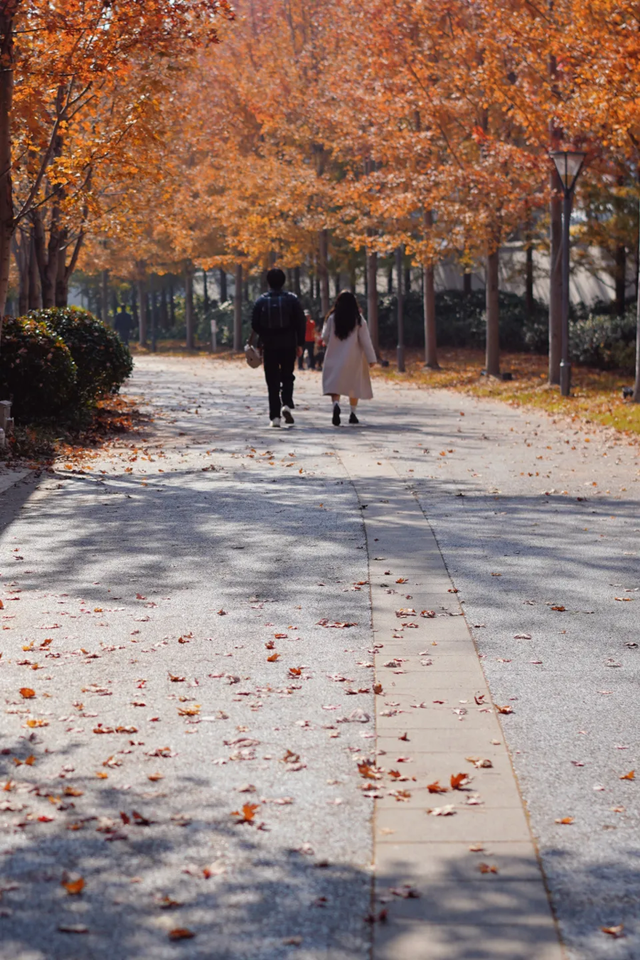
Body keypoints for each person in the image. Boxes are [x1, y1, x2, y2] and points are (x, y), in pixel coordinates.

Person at [251, 268, 306, 427]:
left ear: (268, 282)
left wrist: (262, 340)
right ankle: (287, 404)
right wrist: (300, 343)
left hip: (269, 345)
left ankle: (275, 417)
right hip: (288, 343)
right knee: (288, 375)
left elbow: (255, 324)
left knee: (272, 380)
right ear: (284, 281)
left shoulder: (261, 300)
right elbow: (300, 323)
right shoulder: (292, 299)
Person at [322, 291, 376, 425]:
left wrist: (332, 344)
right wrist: (371, 359)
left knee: (335, 384)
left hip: (334, 355)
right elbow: (365, 340)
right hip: (354, 357)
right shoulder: (359, 319)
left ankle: (335, 404)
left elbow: (325, 336)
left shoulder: (332, 318)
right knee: (354, 384)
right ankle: (353, 413)